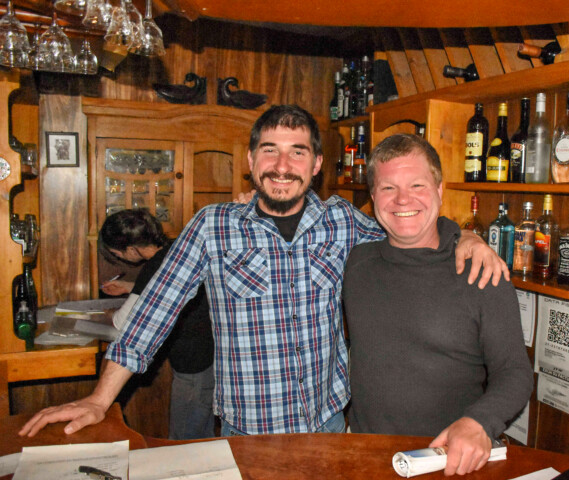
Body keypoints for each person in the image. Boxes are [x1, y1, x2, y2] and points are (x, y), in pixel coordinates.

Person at [20, 105, 508, 438]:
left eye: (298, 151)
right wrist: (99, 401)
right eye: (270, 150)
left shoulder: (341, 221)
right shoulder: (213, 226)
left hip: (329, 427)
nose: (282, 164)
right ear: (251, 162)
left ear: (316, 164)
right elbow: (152, 314)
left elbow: (407, 223)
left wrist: (466, 234)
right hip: (247, 432)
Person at [342, 134, 533, 476]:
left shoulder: (482, 272)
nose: (403, 199)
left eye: (417, 184)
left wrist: (479, 422)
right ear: (372, 198)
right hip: (365, 453)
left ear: (440, 190)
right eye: (388, 188)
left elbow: (515, 372)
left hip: (449, 460)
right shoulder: (357, 262)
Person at [99, 209, 216, 440]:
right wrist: (131, 286)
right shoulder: (177, 248)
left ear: (132, 249)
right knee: (203, 433)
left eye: (119, 254)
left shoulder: (154, 266)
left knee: (184, 438)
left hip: (192, 363)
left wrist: (100, 313)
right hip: (210, 357)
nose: (121, 259)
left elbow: (123, 322)